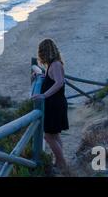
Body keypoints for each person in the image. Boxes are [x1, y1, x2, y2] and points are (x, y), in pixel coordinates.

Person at [32, 39, 69, 174]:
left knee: (48, 136)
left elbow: (59, 82)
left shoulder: (56, 65)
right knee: (55, 135)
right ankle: (58, 162)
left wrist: (44, 95)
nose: (40, 55)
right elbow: (53, 79)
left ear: (44, 52)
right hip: (55, 104)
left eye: (40, 52)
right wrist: (40, 74)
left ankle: (63, 163)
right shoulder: (52, 65)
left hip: (55, 105)